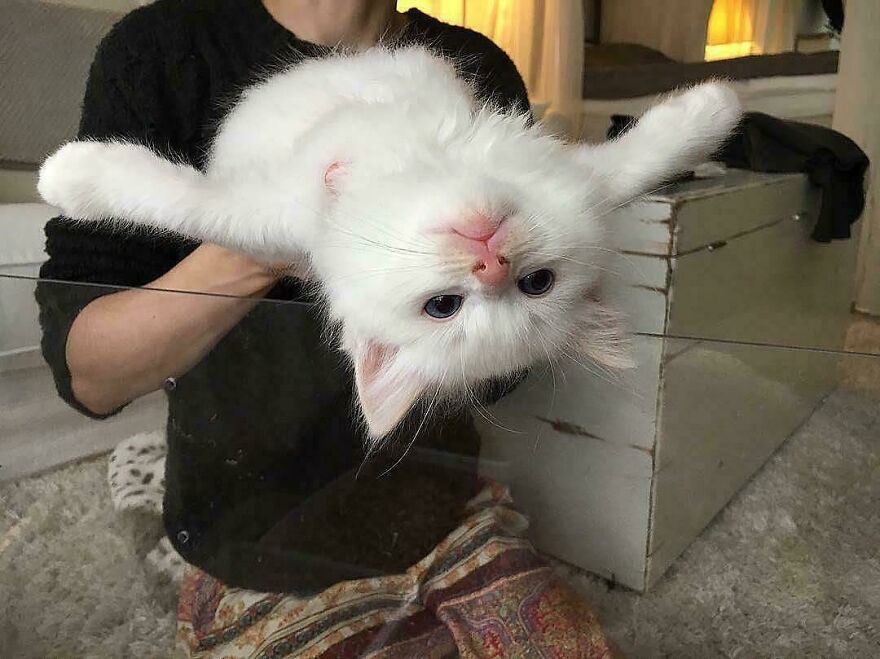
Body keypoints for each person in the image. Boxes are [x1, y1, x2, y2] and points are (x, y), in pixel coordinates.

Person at [37, 0, 616, 655]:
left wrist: (548, 285)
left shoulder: (476, 66)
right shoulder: (163, 49)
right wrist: (269, 237)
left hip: (435, 500)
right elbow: (89, 372)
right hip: (252, 524)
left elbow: (499, 378)